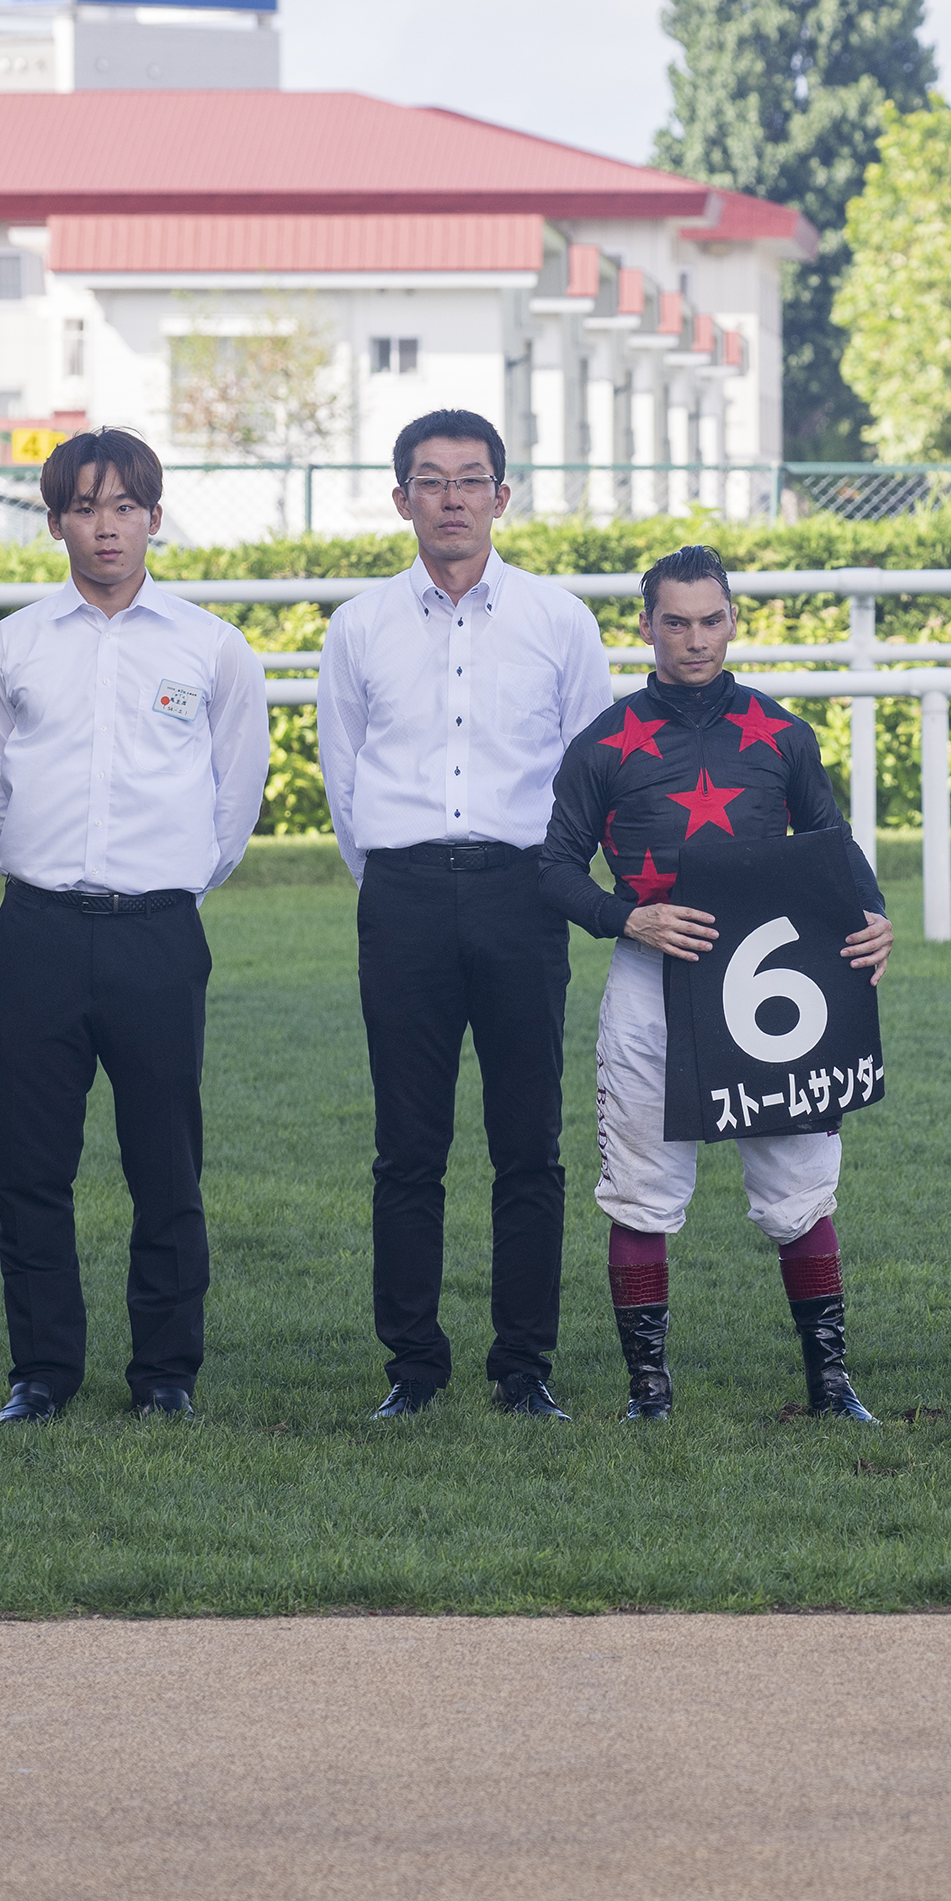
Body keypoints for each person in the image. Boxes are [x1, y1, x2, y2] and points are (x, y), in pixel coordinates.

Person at [538, 546, 894, 1423]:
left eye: (710, 619)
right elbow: (551, 869)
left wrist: (873, 912)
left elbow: (832, 842)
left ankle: (831, 1384)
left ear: (733, 619)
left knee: (801, 1181)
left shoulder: (780, 731)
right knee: (641, 1189)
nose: (695, 640)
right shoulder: (605, 741)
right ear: (647, 625)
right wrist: (629, 917)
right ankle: (648, 1394)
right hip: (651, 982)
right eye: (675, 622)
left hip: (774, 988)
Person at [0, 428, 270, 1425]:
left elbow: (233, 803)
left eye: (125, 507)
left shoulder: (210, 648)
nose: (107, 526)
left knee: (164, 1166)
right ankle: (42, 1373)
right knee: (30, 1168)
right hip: (36, 934)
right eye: (86, 508)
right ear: (54, 521)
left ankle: (165, 1373)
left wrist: (166, 885)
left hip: (157, 937)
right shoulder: (10, 648)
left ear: (153, 517)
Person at [318, 408, 614, 1419]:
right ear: (400, 497)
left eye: (471, 478)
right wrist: (392, 882)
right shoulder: (358, 625)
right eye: (431, 480)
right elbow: (342, 774)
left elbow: (589, 778)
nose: (452, 498)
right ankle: (412, 1368)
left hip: (522, 895)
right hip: (401, 896)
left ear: (502, 493)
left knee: (528, 1142)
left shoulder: (559, 620)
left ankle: (524, 1368)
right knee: (409, 1147)